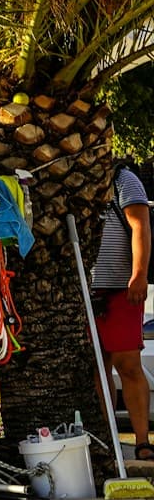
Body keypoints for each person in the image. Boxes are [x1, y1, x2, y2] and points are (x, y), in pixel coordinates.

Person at [94, 162, 153, 461]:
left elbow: (141, 225)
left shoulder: (123, 179)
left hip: (121, 289)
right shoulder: (78, 180)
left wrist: (139, 274)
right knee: (97, 368)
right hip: (83, 291)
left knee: (128, 364)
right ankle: (107, 441)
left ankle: (142, 441)